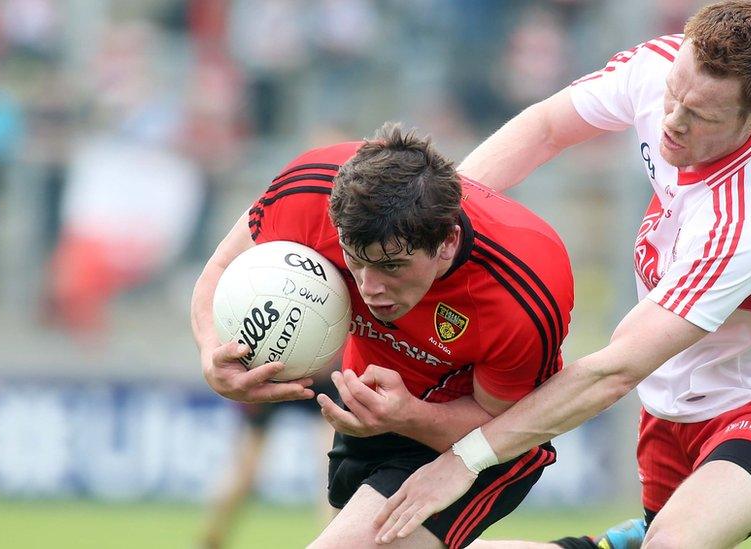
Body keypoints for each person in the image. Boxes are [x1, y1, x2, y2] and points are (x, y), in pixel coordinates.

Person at [373, 2, 751, 548]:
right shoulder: (662, 66)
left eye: (701, 116)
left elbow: (615, 369)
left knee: (671, 544)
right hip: (672, 392)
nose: (672, 121)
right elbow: (547, 127)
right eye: (675, 95)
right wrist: (435, 226)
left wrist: (467, 459)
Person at [190, 123, 574, 548]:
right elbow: (223, 268)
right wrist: (211, 354)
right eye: (355, 261)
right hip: (369, 421)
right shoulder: (311, 191)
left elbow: (505, 424)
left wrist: (409, 415)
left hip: (475, 441)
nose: (369, 288)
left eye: (391, 266)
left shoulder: (522, 290)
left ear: (447, 242)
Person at [197, 369, 337, 549]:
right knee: (244, 471)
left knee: (333, 471)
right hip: (279, 372)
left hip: (297, 370)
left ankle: (333, 541)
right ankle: (209, 542)